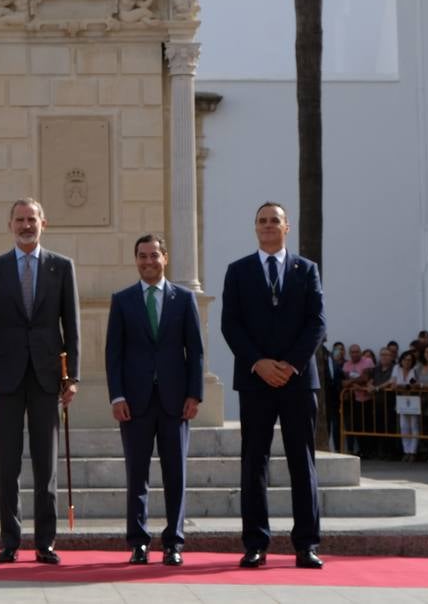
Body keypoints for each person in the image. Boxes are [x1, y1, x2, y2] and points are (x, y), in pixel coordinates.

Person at [0, 197, 80, 565]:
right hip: (4, 379)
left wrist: (73, 377)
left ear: (43, 223)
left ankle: (45, 543)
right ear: (10, 225)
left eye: (31, 219)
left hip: (47, 378)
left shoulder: (62, 268)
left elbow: (72, 327)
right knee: (8, 465)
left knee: (46, 467)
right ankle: (9, 540)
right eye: (19, 219)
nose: (25, 225)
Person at [221, 202, 326, 570]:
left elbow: (317, 322)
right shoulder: (238, 271)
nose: (268, 226)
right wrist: (260, 363)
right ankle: (255, 544)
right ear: (255, 228)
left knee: (303, 462)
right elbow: (230, 325)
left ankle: (306, 544)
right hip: (255, 380)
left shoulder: (306, 269)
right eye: (262, 221)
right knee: (254, 462)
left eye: (274, 221)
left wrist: (291, 365)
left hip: (298, 381)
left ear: (287, 227)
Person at [105, 233, 203, 566]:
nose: (148, 261)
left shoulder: (184, 299)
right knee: (137, 475)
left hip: (176, 402)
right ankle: (138, 542)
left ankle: (174, 542)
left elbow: (196, 351)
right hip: (135, 402)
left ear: (165, 258)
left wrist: (195, 394)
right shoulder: (122, 300)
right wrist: (116, 395)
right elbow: (113, 354)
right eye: (142, 256)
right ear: (136, 260)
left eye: (154, 255)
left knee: (176, 474)